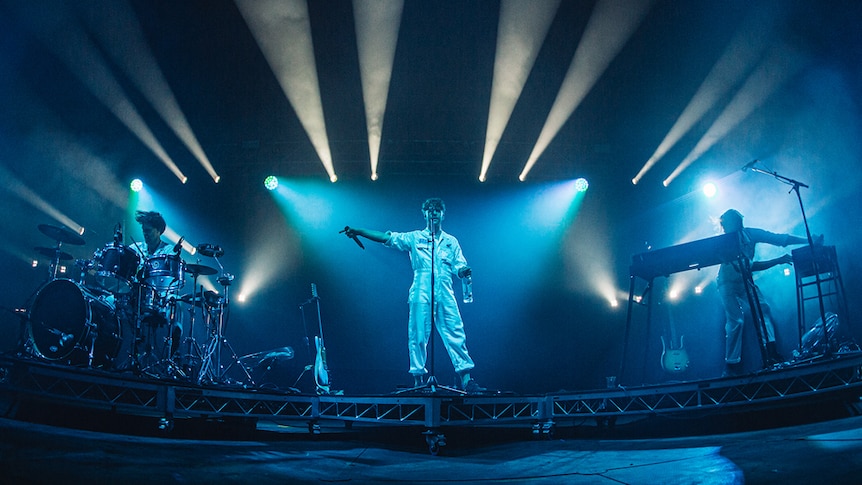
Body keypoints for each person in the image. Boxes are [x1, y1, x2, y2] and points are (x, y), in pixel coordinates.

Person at [342, 198, 484, 392]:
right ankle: (418, 381)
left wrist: (463, 271)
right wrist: (359, 231)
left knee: (455, 331)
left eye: (437, 210)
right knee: (417, 334)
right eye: (429, 209)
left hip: (445, 290)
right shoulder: (415, 237)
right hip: (421, 289)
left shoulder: (451, 241)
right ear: (424, 213)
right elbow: (387, 238)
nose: (433, 213)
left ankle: (466, 379)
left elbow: (459, 266)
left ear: (443, 214)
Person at [716, 209, 819, 375]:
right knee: (736, 321)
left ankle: (771, 352)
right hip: (726, 283)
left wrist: (808, 241)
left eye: (730, 223)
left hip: (744, 281)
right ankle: (731, 365)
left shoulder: (751, 233)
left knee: (763, 310)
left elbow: (779, 239)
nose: (728, 228)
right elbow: (750, 266)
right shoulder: (724, 242)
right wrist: (778, 260)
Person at [130, 210, 183, 357]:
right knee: (109, 301)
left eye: (148, 231)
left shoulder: (169, 251)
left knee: (176, 303)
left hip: (160, 296)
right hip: (135, 294)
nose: (145, 234)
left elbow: (172, 279)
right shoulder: (135, 249)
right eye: (143, 231)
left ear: (159, 231)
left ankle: (174, 342)